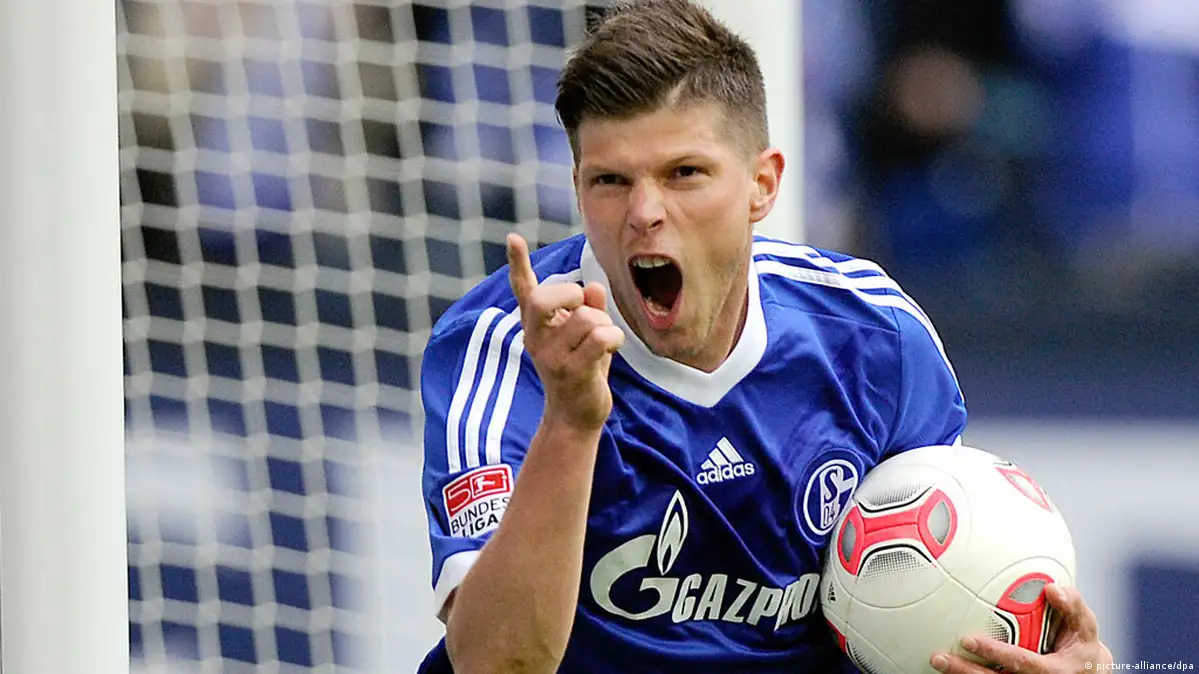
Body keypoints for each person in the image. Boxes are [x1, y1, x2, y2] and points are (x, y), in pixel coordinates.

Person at [416, 1, 1113, 672]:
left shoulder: (872, 336)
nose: (644, 212)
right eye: (610, 180)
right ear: (577, 188)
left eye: (684, 174)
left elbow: (945, 603)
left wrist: (1044, 661)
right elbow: (494, 664)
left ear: (762, 183)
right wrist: (569, 424)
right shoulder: (506, 350)